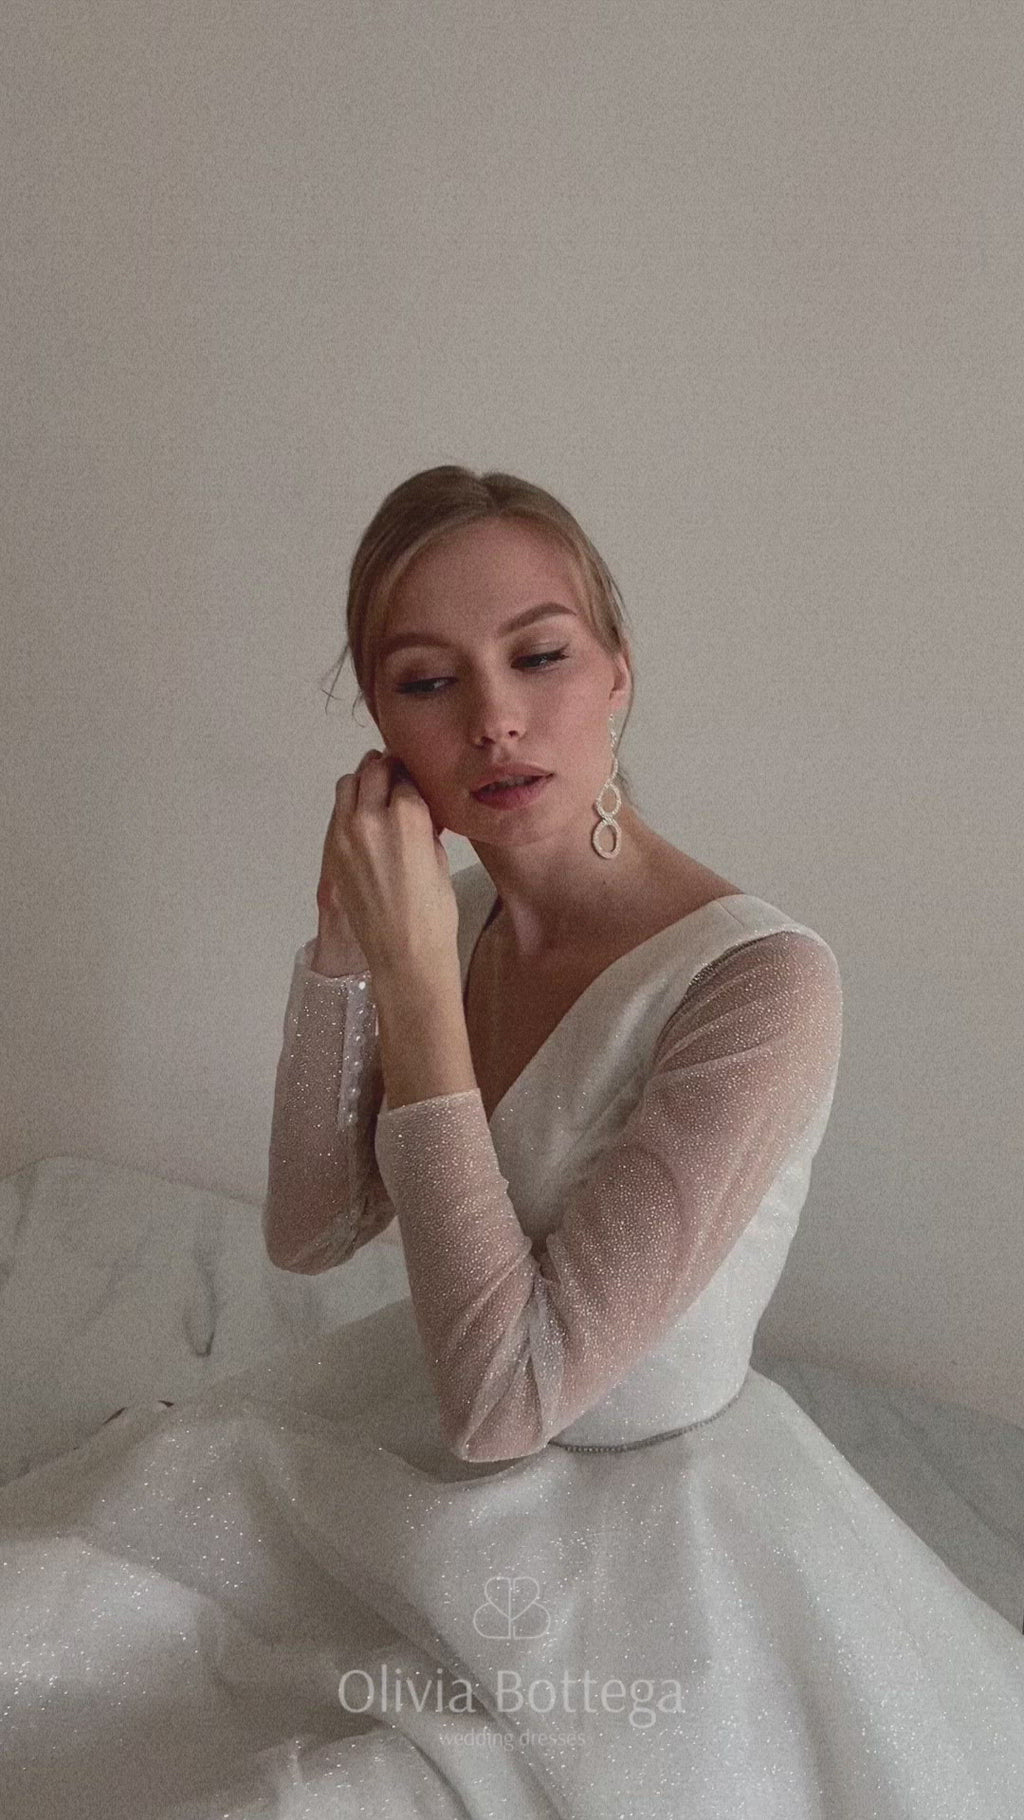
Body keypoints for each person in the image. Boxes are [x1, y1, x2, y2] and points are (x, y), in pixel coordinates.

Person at [1, 465, 1022, 1818]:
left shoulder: (761, 988)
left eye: (540, 656)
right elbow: (309, 1230)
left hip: (637, 1542)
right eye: (428, 683)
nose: (492, 718)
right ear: (384, 735)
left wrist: (417, 989)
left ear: (618, 674)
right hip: (414, 1448)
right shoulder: (459, 913)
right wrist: (349, 942)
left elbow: (509, 1405)